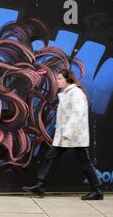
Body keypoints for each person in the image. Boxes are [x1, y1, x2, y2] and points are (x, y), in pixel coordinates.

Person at [22, 69, 104, 200]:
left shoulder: (76, 93)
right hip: (65, 135)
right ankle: (40, 184)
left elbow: (77, 114)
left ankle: (97, 190)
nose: (57, 81)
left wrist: (68, 132)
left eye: (60, 79)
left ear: (68, 79)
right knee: (51, 157)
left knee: (84, 161)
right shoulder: (66, 93)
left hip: (74, 135)